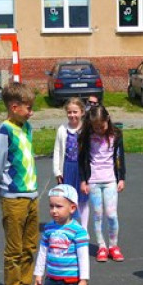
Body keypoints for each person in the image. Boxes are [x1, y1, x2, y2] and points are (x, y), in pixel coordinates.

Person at [0, 82, 43, 285]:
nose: (31, 112)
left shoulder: (27, 127)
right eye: (28, 108)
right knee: (14, 249)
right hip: (13, 198)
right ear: (14, 107)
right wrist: (1, 191)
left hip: (32, 196)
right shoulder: (5, 130)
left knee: (31, 245)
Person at [78, 104, 126, 263]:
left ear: (108, 119)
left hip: (111, 180)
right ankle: (102, 246)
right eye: (95, 127)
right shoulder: (86, 136)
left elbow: (120, 158)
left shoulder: (116, 135)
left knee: (111, 215)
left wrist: (121, 178)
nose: (99, 130)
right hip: (94, 181)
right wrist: (84, 180)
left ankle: (113, 245)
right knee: (97, 215)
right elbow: (82, 159)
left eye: (102, 126)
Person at [52, 97, 89, 228]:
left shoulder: (86, 129)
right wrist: (57, 171)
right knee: (68, 198)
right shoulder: (62, 129)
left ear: (82, 112)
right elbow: (57, 150)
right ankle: (70, 226)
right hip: (67, 167)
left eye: (75, 112)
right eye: (69, 112)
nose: (72, 115)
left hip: (82, 169)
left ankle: (83, 228)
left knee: (83, 199)